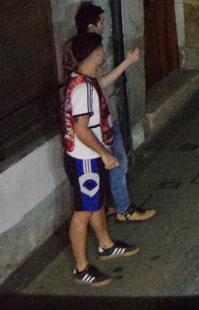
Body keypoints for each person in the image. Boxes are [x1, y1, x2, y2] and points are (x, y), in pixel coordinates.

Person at [62, 32, 139, 286]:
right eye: (102, 49)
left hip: (89, 157)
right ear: (96, 54)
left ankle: (106, 245)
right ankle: (81, 269)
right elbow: (81, 129)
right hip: (85, 160)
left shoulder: (84, 79)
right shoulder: (83, 88)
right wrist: (105, 153)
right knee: (83, 212)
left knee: (96, 204)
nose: (103, 53)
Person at [62, 4, 150, 223]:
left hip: (102, 125)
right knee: (117, 165)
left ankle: (109, 216)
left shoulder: (82, 67)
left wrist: (127, 62)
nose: (105, 24)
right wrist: (104, 151)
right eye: (101, 20)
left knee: (100, 188)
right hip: (100, 129)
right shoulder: (84, 77)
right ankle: (123, 209)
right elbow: (81, 124)